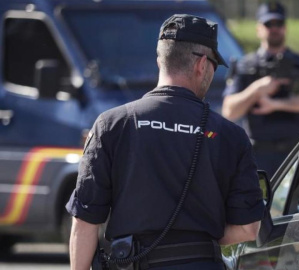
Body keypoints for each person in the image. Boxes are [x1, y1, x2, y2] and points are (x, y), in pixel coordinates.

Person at [66, 14, 265, 270]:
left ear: (161, 59)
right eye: (215, 64)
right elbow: (248, 229)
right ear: (201, 64)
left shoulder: (112, 124)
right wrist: (199, 236)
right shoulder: (230, 135)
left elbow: (84, 220)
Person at [222, 1, 299, 178]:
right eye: (268, 24)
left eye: (279, 23)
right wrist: (256, 89)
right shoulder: (246, 65)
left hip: (297, 153)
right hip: (259, 156)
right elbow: (229, 111)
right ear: (258, 29)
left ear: (285, 27)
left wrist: (276, 104)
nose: (274, 28)